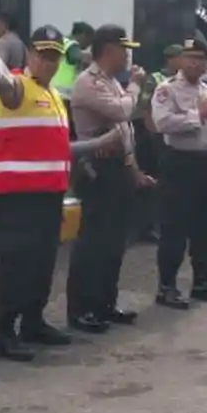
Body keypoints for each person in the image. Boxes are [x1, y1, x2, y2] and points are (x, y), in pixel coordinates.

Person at [0, 21, 125, 362]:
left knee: (42, 263)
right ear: (30, 54)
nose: (49, 63)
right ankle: (3, 333)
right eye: (42, 55)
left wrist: (100, 144)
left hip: (49, 194)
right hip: (19, 197)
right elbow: (2, 81)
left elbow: (60, 148)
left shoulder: (55, 96)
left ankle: (33, 321)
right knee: (17, 263)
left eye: (55, 57)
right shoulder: (19, 88)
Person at [65, 24, 153, 334]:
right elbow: (121, 112)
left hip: (118, 168)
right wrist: (135, 86)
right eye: (123, 49)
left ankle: (105, 302)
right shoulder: (88, 83)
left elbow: (125, 133)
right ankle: (81, 308)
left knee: (115, 242)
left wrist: (134, 168)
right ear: (107, 49)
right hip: (96, 169)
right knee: (93, 241)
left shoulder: (113, 82)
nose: (128, 55)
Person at [151, 36, 207, 309]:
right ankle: (166, 286)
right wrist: (197, 113)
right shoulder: (167, 90)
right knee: (175, 226)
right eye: (190, 58)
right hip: (180, 163)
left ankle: (202, 281)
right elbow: (162, 122)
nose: (195, 63)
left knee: (205, 225)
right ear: (181, 60)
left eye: (201, 59)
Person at [130, 44, 183, 244]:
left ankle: (158, 223)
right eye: (180, 57)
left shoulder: (179, 81)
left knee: (164, 182)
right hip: (149, 134)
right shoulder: (155, 79)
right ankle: (144, 227)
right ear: (170, 59)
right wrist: (155, 135)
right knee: (149, 180)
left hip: (167, 135)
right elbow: (144, 109)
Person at [53, 22, 94, 97]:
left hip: (57, 88)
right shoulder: (71, 44)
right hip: (63, 90)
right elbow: (75, 57)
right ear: (83, 35)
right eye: (89, 41)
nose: (88, 45)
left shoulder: (61, 41)